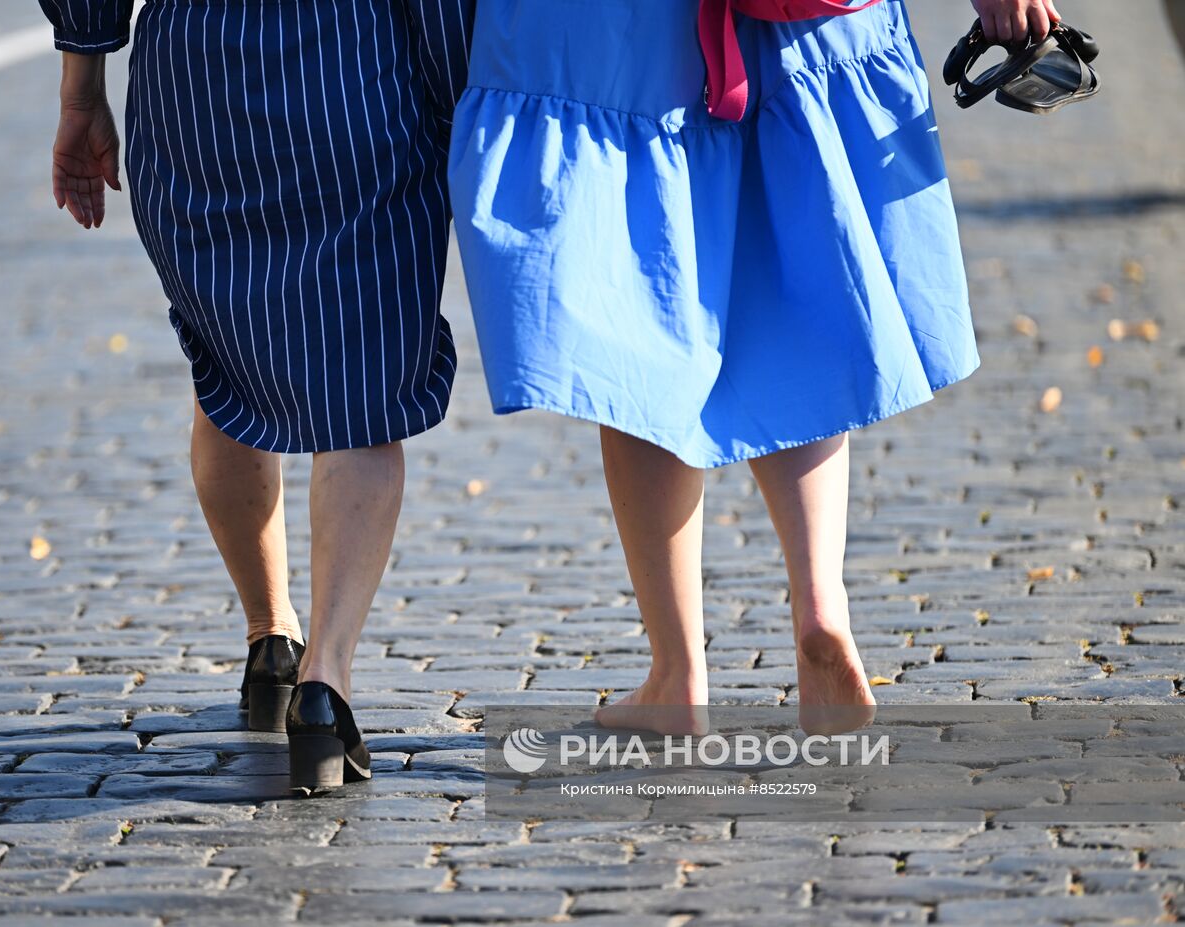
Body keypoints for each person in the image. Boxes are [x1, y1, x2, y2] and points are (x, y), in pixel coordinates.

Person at [448, 0, 1051, 735]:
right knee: (794, 287)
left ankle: (678, 675)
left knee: (635, 324)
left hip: (606, 30)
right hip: (793, 24)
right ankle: (820, 601)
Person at [37, 0, 472, 793]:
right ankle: (325, 677)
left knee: (230, 369)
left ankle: (271, 633)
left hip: (195, 89)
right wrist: (467, 103)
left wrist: (81, 88)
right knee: (360, 396)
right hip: (354, 84)